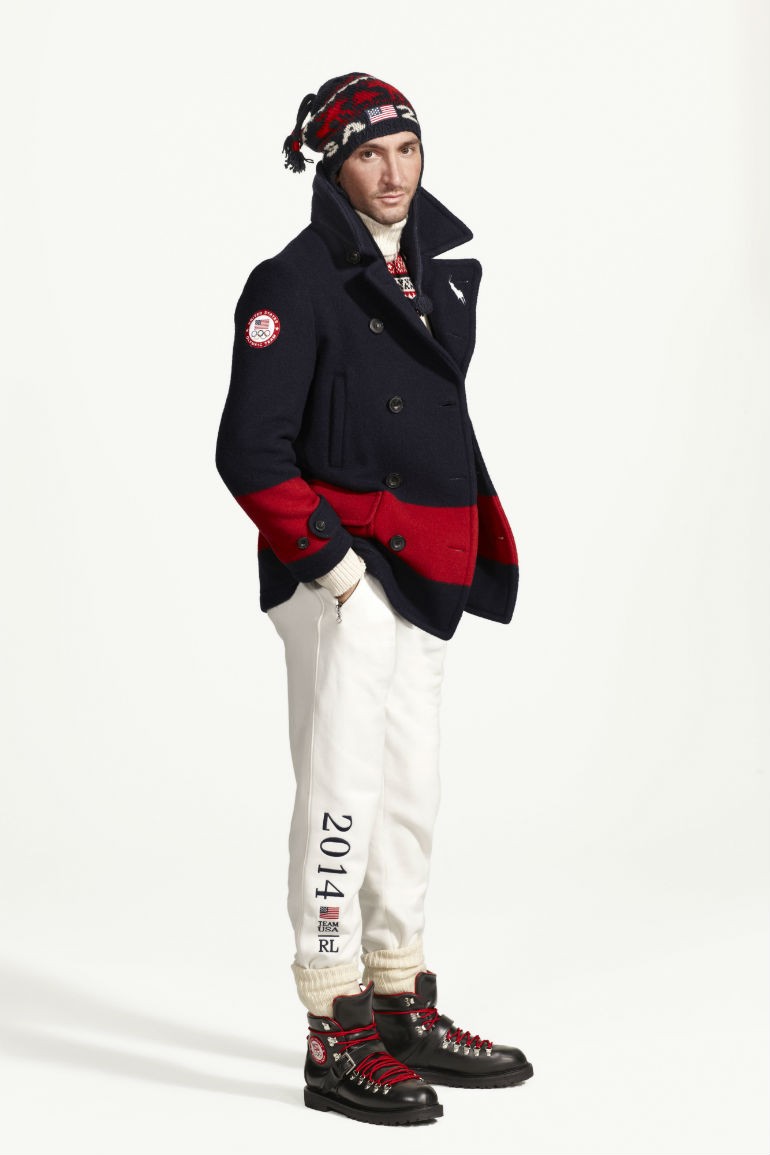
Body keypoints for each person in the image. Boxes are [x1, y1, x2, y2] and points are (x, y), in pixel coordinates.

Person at [216, 71, 533, 1126]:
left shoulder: (430, 270)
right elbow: (249, 450)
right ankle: (332, 1022)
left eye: (405, 148)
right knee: (339, 796)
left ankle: (398, 999)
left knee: (409, 792)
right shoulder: (292, 282)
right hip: (345, 579)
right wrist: (338, 574)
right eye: (367, 153)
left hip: (426, 569)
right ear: (330, 164)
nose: (393, 172)